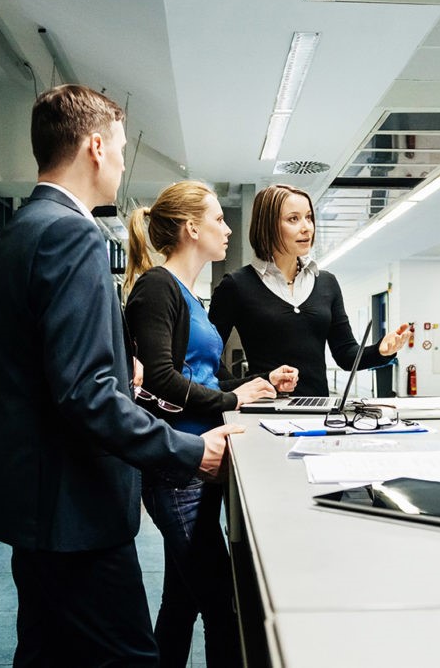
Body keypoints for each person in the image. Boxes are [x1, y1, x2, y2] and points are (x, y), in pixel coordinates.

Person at [0, 85, 243, 666]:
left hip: (34, 503)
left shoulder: (21, 231)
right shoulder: (74, 234)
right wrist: (189, 450)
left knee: (45, 653)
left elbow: (44, 367)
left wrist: (122, 364)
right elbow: (84, 394)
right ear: (95, 146)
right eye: (120, 148)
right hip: (75, 509)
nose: (122, 163)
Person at [124, 180, 297, 668]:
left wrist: (260, 381)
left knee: (182, 602)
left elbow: (206, 374)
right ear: (191, 227)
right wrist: (230, 395)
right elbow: (158, 379)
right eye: (219, 219)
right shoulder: (157, 287)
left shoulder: (187, 293)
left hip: (202, 458)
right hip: (177, 469)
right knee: (224, 606)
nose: (227, 229)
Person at [208, 183, 410, 396]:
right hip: (265, 411)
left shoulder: (326, 282)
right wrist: (240, 391)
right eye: (293, 219)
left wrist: (381, 350)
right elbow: (207, 357)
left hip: (318, 410)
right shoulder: (236, 285)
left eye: (309, 217)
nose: (307, 227)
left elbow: (346, 355)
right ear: (267, 225)